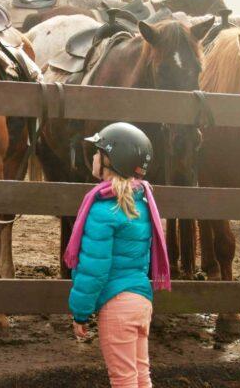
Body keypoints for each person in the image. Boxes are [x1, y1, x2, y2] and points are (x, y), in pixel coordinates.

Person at [64, 122, 171, 388]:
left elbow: (93, 269)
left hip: (116, 306)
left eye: (98, 152)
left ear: (111, 161)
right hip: (141, 302)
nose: (93, 156)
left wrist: (80, 312)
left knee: (123, 380)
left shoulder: (103, 211)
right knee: (141, 376)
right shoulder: (143, 205)